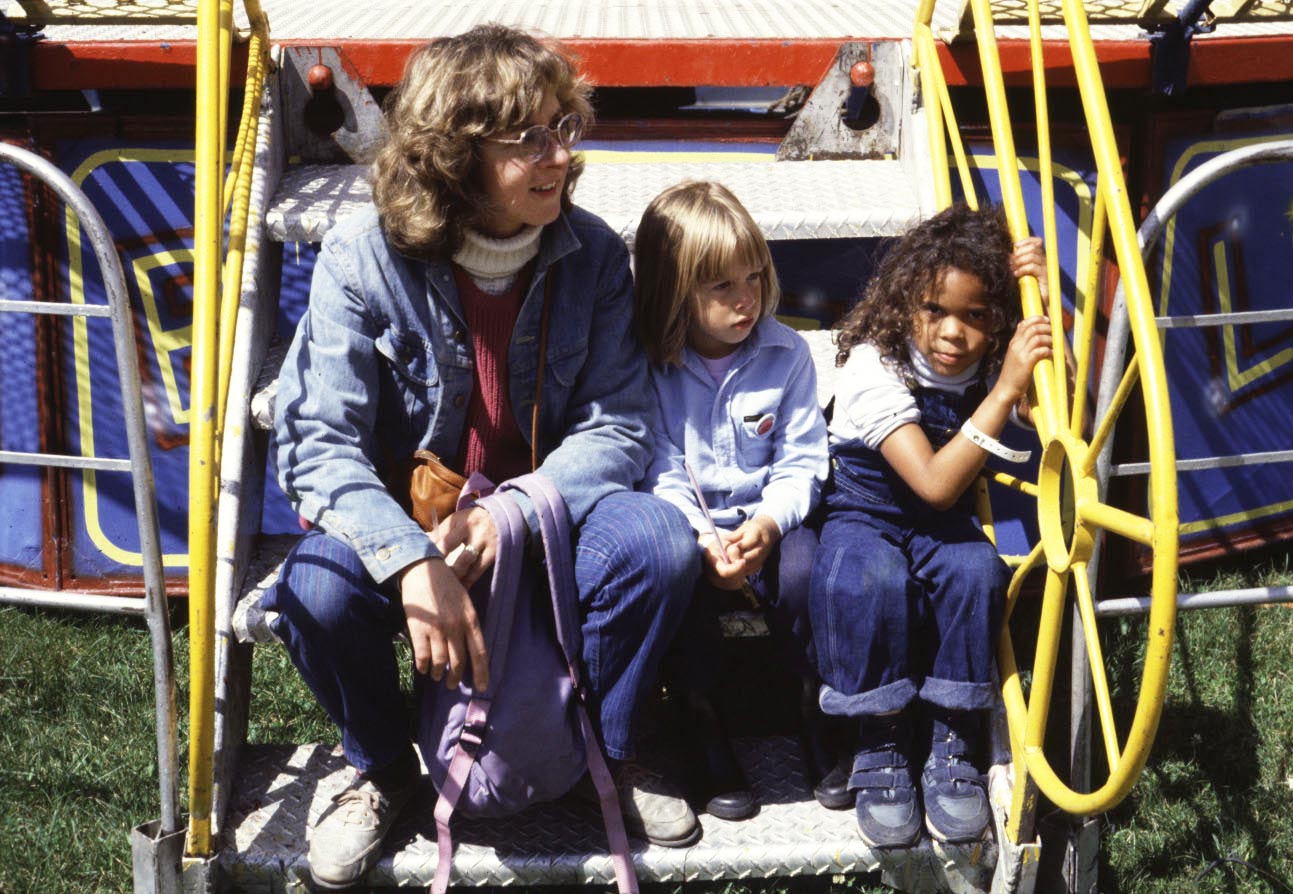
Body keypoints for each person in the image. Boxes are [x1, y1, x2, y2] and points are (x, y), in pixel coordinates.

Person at [266, 26, 702, 889]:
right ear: (454, 156)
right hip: (407, 516)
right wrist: (409, 561)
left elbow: (619, 425)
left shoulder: (595, 254)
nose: (561, 156)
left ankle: (606, 747)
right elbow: (318, 445)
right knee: (313, 592)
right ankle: (384, 769)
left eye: (564, 127)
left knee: (659, 544)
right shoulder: (364, 256)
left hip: (540, 516)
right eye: (529, 139)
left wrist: (510, 513)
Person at [809, 203, 1052, 848]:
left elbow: (1055, 407)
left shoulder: (991, 357)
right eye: (935, 311)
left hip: (937, 526)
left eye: (977, 316)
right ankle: (880, 736)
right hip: (864, 514)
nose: (953, 333)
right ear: (903, 304)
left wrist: (1044, 316)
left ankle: (954, 735)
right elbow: (938, 485)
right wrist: (1003, 391)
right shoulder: (873, 365)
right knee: (870, 578)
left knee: (976, 569)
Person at [632, 181, 835, 821]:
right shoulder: (649, 367)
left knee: (807, 573)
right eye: (721, 287)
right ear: (675, 292)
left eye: (753, 276)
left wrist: (772, 524)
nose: (745, 299)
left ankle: (813, 704)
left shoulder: (787, 355)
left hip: (767, 520)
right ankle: (700, 715)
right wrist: (701, 537)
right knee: (676, 580)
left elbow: (803, 459)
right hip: (692, 527)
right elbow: (657, 461)